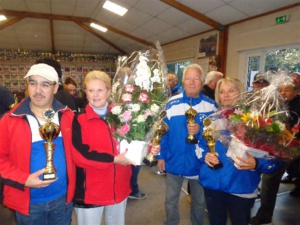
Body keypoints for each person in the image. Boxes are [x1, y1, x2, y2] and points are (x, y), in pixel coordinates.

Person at [71, 70, 160, 224]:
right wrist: (114, 159)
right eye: (91, 90)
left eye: (100, 90)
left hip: (120, 187)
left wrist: (149, 149)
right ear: (85, 92)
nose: (95, 95)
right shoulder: (79, 120)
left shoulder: (124, 116)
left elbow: (137, 140)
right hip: (91, 191)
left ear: (109, 92)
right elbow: (80, 157)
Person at [0, 63, 76, 225]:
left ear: (55, 88)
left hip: (62, 199)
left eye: (45, 84)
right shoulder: (10, 120)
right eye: (33, 83)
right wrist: (23, 179)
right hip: (29, 203)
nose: (37, 90)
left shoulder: (67, 116)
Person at [199, 77, 281, 225]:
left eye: (231, 90)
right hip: (213, 186)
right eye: (222, 91)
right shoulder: (211, 120)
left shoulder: (255, 121)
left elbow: (274, 160)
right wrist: (205, 156)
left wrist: (256, 163)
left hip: (241, 188)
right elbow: (200, 147)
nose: (226, 95)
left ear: (241, 92)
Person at [156, 63, 217, 225]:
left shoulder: (211, 106)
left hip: (200, 163)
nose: (191, 82)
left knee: (199, 201)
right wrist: (161, 156)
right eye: (188, 78)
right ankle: (171, 223)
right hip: (174, 160)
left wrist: (200, 128)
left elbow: (217, 135)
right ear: (183, 81)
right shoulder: (171, 103)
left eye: (196, 79)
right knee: (170, 200)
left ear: (202, 81)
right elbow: (162, 132)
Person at [250, 74, 299, 225]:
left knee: (270, 177)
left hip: (291, 147)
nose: (283, 93)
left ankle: (265, 214)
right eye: (281, 90)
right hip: (280, 145)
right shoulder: (279, 103)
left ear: (297, 90)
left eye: (288, 90)